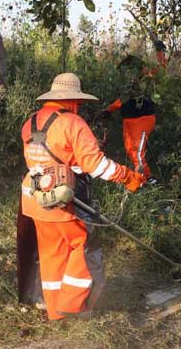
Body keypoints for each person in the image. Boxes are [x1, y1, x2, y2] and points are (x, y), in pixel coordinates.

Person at [21, 72, 145, 321]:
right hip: (66, 201)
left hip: (36, 199)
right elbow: (96, 166)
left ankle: (56, 311)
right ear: (73, 100)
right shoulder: (73, 123)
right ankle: (73, 306)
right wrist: (128, 176)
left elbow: (42, 159)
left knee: (51, 254)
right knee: (85, 248)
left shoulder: (31, 122)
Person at [101, 40, 167, 184]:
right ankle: (145, 177)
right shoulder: (128, 85)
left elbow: (161, 68)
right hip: (129, 121)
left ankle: (145, 179)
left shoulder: (147, 80)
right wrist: (108, 110)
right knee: (130, 149)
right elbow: (122, 100)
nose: (130, 73)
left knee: (137, 151)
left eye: (134, 69)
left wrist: (160, 51)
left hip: (143, 120)